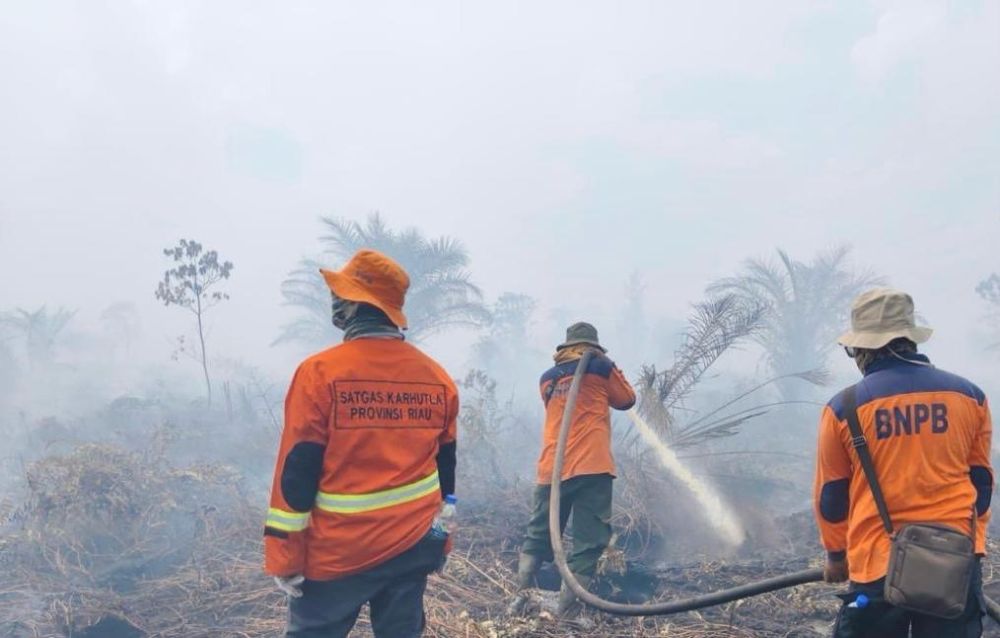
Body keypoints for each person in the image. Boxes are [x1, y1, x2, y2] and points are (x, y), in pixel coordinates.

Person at [264, 249, 459, 638]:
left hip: (338, 554)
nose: (335, 301)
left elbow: (297, 472)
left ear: (355, 306)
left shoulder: (319, 374)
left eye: (342, 293)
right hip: (413, 548)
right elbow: (447, 475)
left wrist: (284, 556)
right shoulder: (438, 379)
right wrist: (443, 542)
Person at [814, 288, 992, 638]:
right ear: (910, 339)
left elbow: (832, 495)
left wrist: (836, 556)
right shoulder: (970, 396)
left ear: (862, 348)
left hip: (877, 562)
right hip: (953, 558)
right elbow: (982, 481)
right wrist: (973, 544)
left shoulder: (843, 408)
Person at [513, 322, 636, 620]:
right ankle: (567, 609)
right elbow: (627, 399)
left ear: (566, 347)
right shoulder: (602, 368)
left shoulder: (547, 378)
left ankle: (520, 599)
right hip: (591, 467)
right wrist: (609, 364)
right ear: (594, 347)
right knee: (589, 539)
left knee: (538, 534)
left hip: (551, 468)